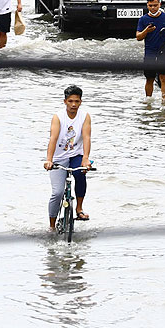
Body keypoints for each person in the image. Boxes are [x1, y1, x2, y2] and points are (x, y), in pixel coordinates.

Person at [43, 85, 93, 228]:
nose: (73, 105)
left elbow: (87, 137)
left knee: (80, 173)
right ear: (65, 101)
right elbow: (53, 138)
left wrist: (86, 158)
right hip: (59, 158)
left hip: (76, 154)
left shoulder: (85, 116)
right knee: (57, 192)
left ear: (80, 102)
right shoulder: (58, 117)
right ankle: (51, 226)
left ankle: (79, 208)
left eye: (77, 101)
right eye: (70, 101)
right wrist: (49, 160)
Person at [136, 0, 165, 99]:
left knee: (164, 77)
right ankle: (148, 102)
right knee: (150, 78)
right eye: (150, 6)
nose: (153, 8)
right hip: (150, 51)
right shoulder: (143, 19)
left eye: (155, 5)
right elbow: (138, 37)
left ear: (160, 4)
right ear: (147, 5)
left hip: (164, 50)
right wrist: (146, 30)